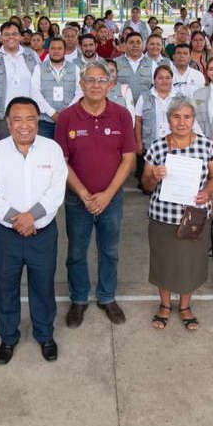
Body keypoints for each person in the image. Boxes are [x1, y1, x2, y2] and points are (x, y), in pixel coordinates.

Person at [0, 97, 66, 364]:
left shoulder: (51, 149)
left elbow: (56, 190)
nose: (24, 125)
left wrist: (32, 217)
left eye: (30, 119)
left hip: (42, 234)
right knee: (6, 287)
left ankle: (45, 335)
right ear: (8, 123)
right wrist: (18, 219)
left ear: (38, 121)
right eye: (17, 119)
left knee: (43, 286)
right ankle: (8, 337)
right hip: (7, 235)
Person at [56, 61, 137, 328]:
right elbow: (61, 162)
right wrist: (83, 193)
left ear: (110, 84)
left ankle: (106, 297)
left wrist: (107, 194)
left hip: (111, 199)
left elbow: (128, 160)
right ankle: (79, 299)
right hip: (77, 199)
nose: (95, 85)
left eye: (101, 80)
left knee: (109, 251)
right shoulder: (67, 117)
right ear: (81, 84)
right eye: (89, 80)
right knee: (76, 252)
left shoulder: (121, 115)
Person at [141, 97, 213, 332]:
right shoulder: (157, 147)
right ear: (168, 120)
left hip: (194, 216)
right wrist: (154, 175)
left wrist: (207, 192)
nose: (182, 122)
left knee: (190, 263)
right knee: (163, 262)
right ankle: (165, 305)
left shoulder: (206, 146)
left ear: (193, 120)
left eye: (187, 117)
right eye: (176, 117)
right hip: (163, 216)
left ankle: (185, 306)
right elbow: (146, 184)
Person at [0, 21, 39, 142]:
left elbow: (40, 82)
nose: (11, 37)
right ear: (1, 38)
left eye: (14, 34)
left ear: (20, 37)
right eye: (6, 34)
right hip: (3, 116)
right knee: (5, 148)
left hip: (30, 114)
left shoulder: (31, 55)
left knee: (30, 147)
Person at [30, 37, 81, 140]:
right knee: (45, 149)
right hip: (44, 122)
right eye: (53, 48)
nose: (56, 51)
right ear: (48, 50)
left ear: (65, 50)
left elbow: (80, 93)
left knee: (67, 149)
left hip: (69, 120)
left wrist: (66, 113)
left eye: (59, 48)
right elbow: (34, 93)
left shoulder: (75, 68)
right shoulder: (38, 68)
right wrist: (52, 113)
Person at [114, 32, 160, 101]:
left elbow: (158, 86)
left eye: (138, 42)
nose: (135, 45)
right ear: (125, 45)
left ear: (143, 45)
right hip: (122, 105)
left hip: (145, 105)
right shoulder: (115, 63)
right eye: (131, 42)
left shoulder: (152, 64)